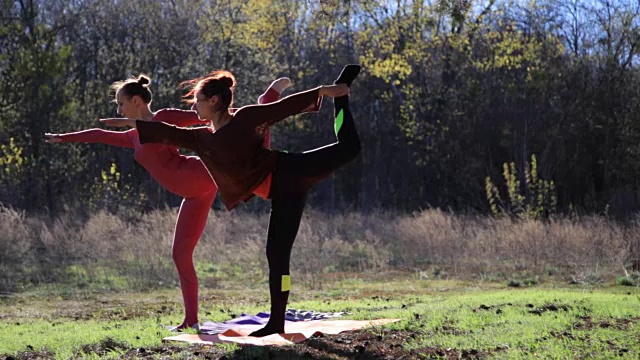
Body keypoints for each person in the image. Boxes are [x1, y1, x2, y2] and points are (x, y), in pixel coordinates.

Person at [116, 64, 362, 336]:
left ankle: (342, 99)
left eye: (197, 101)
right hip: (283, 194)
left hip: (291, 171)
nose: (194, 108)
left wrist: (323, 92)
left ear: (214, 101)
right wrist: (135, 125)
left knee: (350, 148)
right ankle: (276, 323)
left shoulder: (244, 119)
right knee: (277, 256)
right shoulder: (203, 139)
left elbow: (280, 109)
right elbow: (171, 133)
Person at [44, 74, 291, 331]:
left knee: (252, 162)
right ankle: (190, 320)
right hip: (194, 194)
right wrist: (65, 137)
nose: (118, 110)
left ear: (136, 101)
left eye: (120, 104)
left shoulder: (165, 118)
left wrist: (249, 116)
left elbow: (213, 114)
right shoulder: (133, 136)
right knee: (180, 254)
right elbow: (98, 134)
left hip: (202, 172)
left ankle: (267, 100)